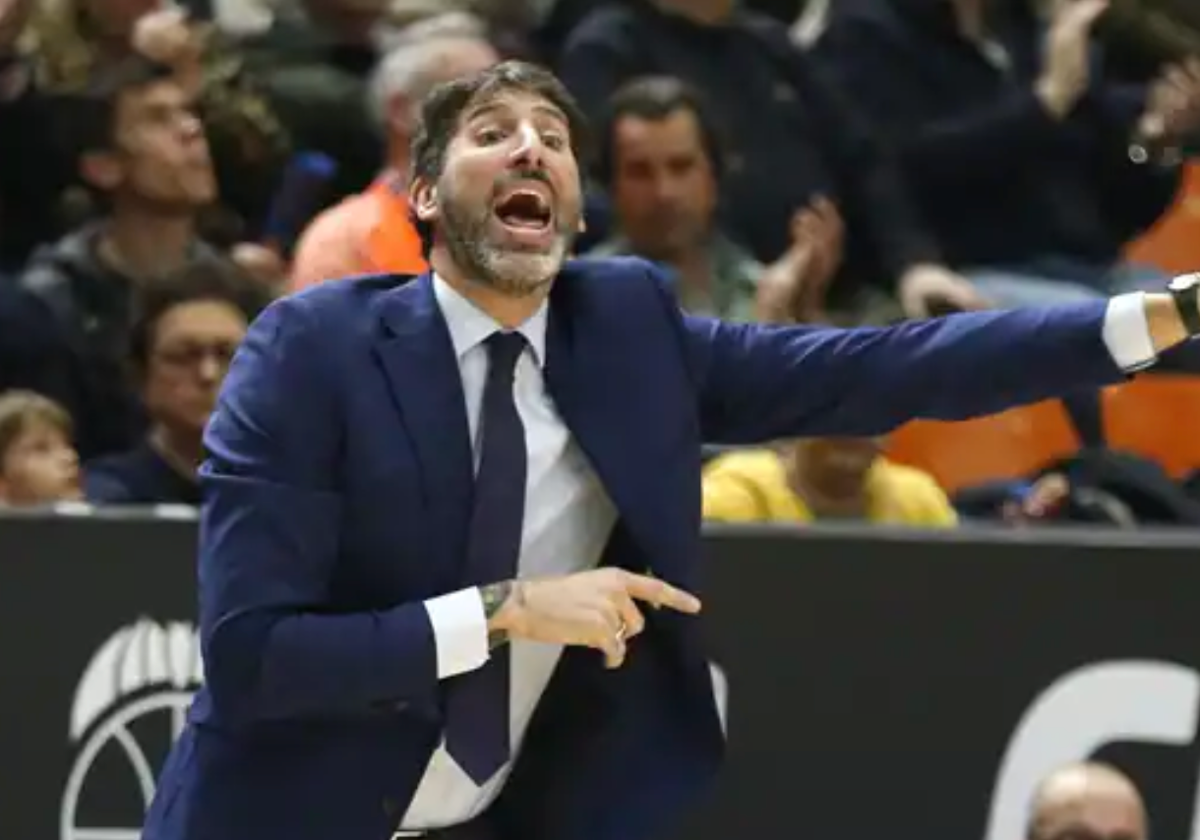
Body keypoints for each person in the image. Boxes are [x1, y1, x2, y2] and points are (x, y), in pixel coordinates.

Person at [143, 60, 1200, 840]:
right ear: (425, 197)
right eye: (493, 132)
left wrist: (1160, 319)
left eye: (552, 137)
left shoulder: (630, 334)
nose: (530, 148)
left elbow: (891, 368)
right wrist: (505, 611)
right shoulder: (312, 349)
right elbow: (251, 658)